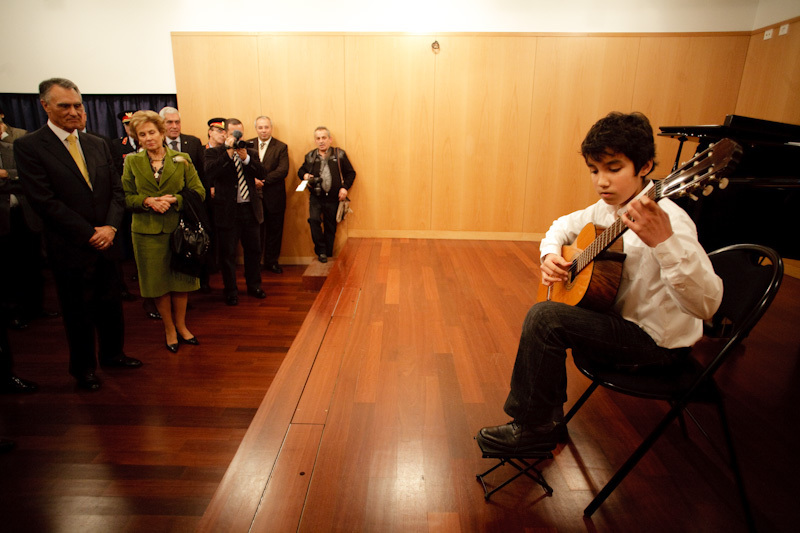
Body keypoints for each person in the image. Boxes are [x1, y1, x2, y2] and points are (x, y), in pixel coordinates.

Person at [476, 111, 723, 453]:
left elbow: (707, 306)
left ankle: (533, 428)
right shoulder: (608, 209)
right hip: (619, 323)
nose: (601, 181)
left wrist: (665, 244)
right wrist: (550, 256)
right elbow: (561, 225)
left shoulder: (672, 223)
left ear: (645, 167)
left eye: (614, 168)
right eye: (594, 170)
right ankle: (548, 415)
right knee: (551, 310)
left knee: (545, 318)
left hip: (657, 345)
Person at [14, 78, 142, 391]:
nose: (73, 112)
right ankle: (84, 369)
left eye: (77, 105)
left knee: (111, 303)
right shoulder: (30, 146)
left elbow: (116, 191)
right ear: (44, 106)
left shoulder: (96, 143)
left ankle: (113, 354)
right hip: (70, 245)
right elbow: (44, 201)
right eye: (64, 106)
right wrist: (89, 233)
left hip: (107, 240)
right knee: (78, 310)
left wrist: (111, 227)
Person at [121, 110, 206, 353]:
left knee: (181, 282)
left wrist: (175, 199)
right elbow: (125, 197)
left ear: (161, 133)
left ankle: (182, 326)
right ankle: (169, 329)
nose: (148, 138)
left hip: (179, 231)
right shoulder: (132, 162)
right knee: (158, 284)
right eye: (142, 134)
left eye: (152, 132)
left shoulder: (182, 159)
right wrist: (146, 201)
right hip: (146, 233)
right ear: (137, 138)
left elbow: (198, 192)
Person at [205, 118, 266, 306]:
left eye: (240, 133)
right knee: (228, 254)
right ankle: (231, 290)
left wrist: (246, 158)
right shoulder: (213, 153)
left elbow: (262, 173)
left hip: (250, 210)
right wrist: (228, 154)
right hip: (227, 212)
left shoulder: (251, 152)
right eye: (233, 133)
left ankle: (254, 285)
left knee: (254, 251)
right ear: (225, 133)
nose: (237, 136)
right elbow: (209, 174)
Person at [160, 106, 214, 291]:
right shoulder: (157, 144)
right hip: (167, 206)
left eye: (177, 122)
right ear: (162, 124)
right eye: (170, 122)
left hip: (193, 203)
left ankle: (202, 282)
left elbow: (202, 174)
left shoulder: (192, 142)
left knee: (197, 241)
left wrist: (203, 202)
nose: (174, 126)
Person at [298, 127, 355, 263]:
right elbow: (300, 171)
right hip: (316, 197)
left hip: (334, 198)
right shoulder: (310, 156)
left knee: (330, 227)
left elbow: (351, 173)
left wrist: (344, 188)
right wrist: (305, 175)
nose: (321, 141)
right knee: (314, 221)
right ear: (315, 140)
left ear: (330, 139)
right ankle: (321, 251)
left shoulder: (339, 154)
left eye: (324, 138)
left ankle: (327, 255)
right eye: (318, 138)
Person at [249, 116, 288, 274]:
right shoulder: (247, 145)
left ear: (271, 128)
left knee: (274, 231)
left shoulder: (281, 146)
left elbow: (283, 170)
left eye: (266, 127)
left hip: (274, 197)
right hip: (253, 197)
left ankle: (271, 261)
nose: (263, 130)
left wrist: (262, 181)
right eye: (260, 127)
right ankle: (255, 262)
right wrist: (253, 180)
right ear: (256, 129)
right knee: (256, 233)